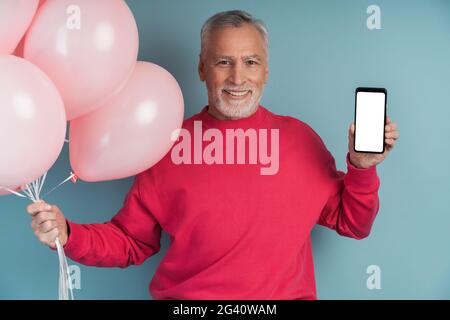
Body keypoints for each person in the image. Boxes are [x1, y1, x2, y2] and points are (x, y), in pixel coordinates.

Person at [27, 10, 400, 299]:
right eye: (224, 62)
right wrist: (69, 233)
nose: (238, 78)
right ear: (202, 68)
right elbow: (131, 240)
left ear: (266, 71)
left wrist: (362, 167)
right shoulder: (167, 143)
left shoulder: (301, 140)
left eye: (250, 62)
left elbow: (354, 223)